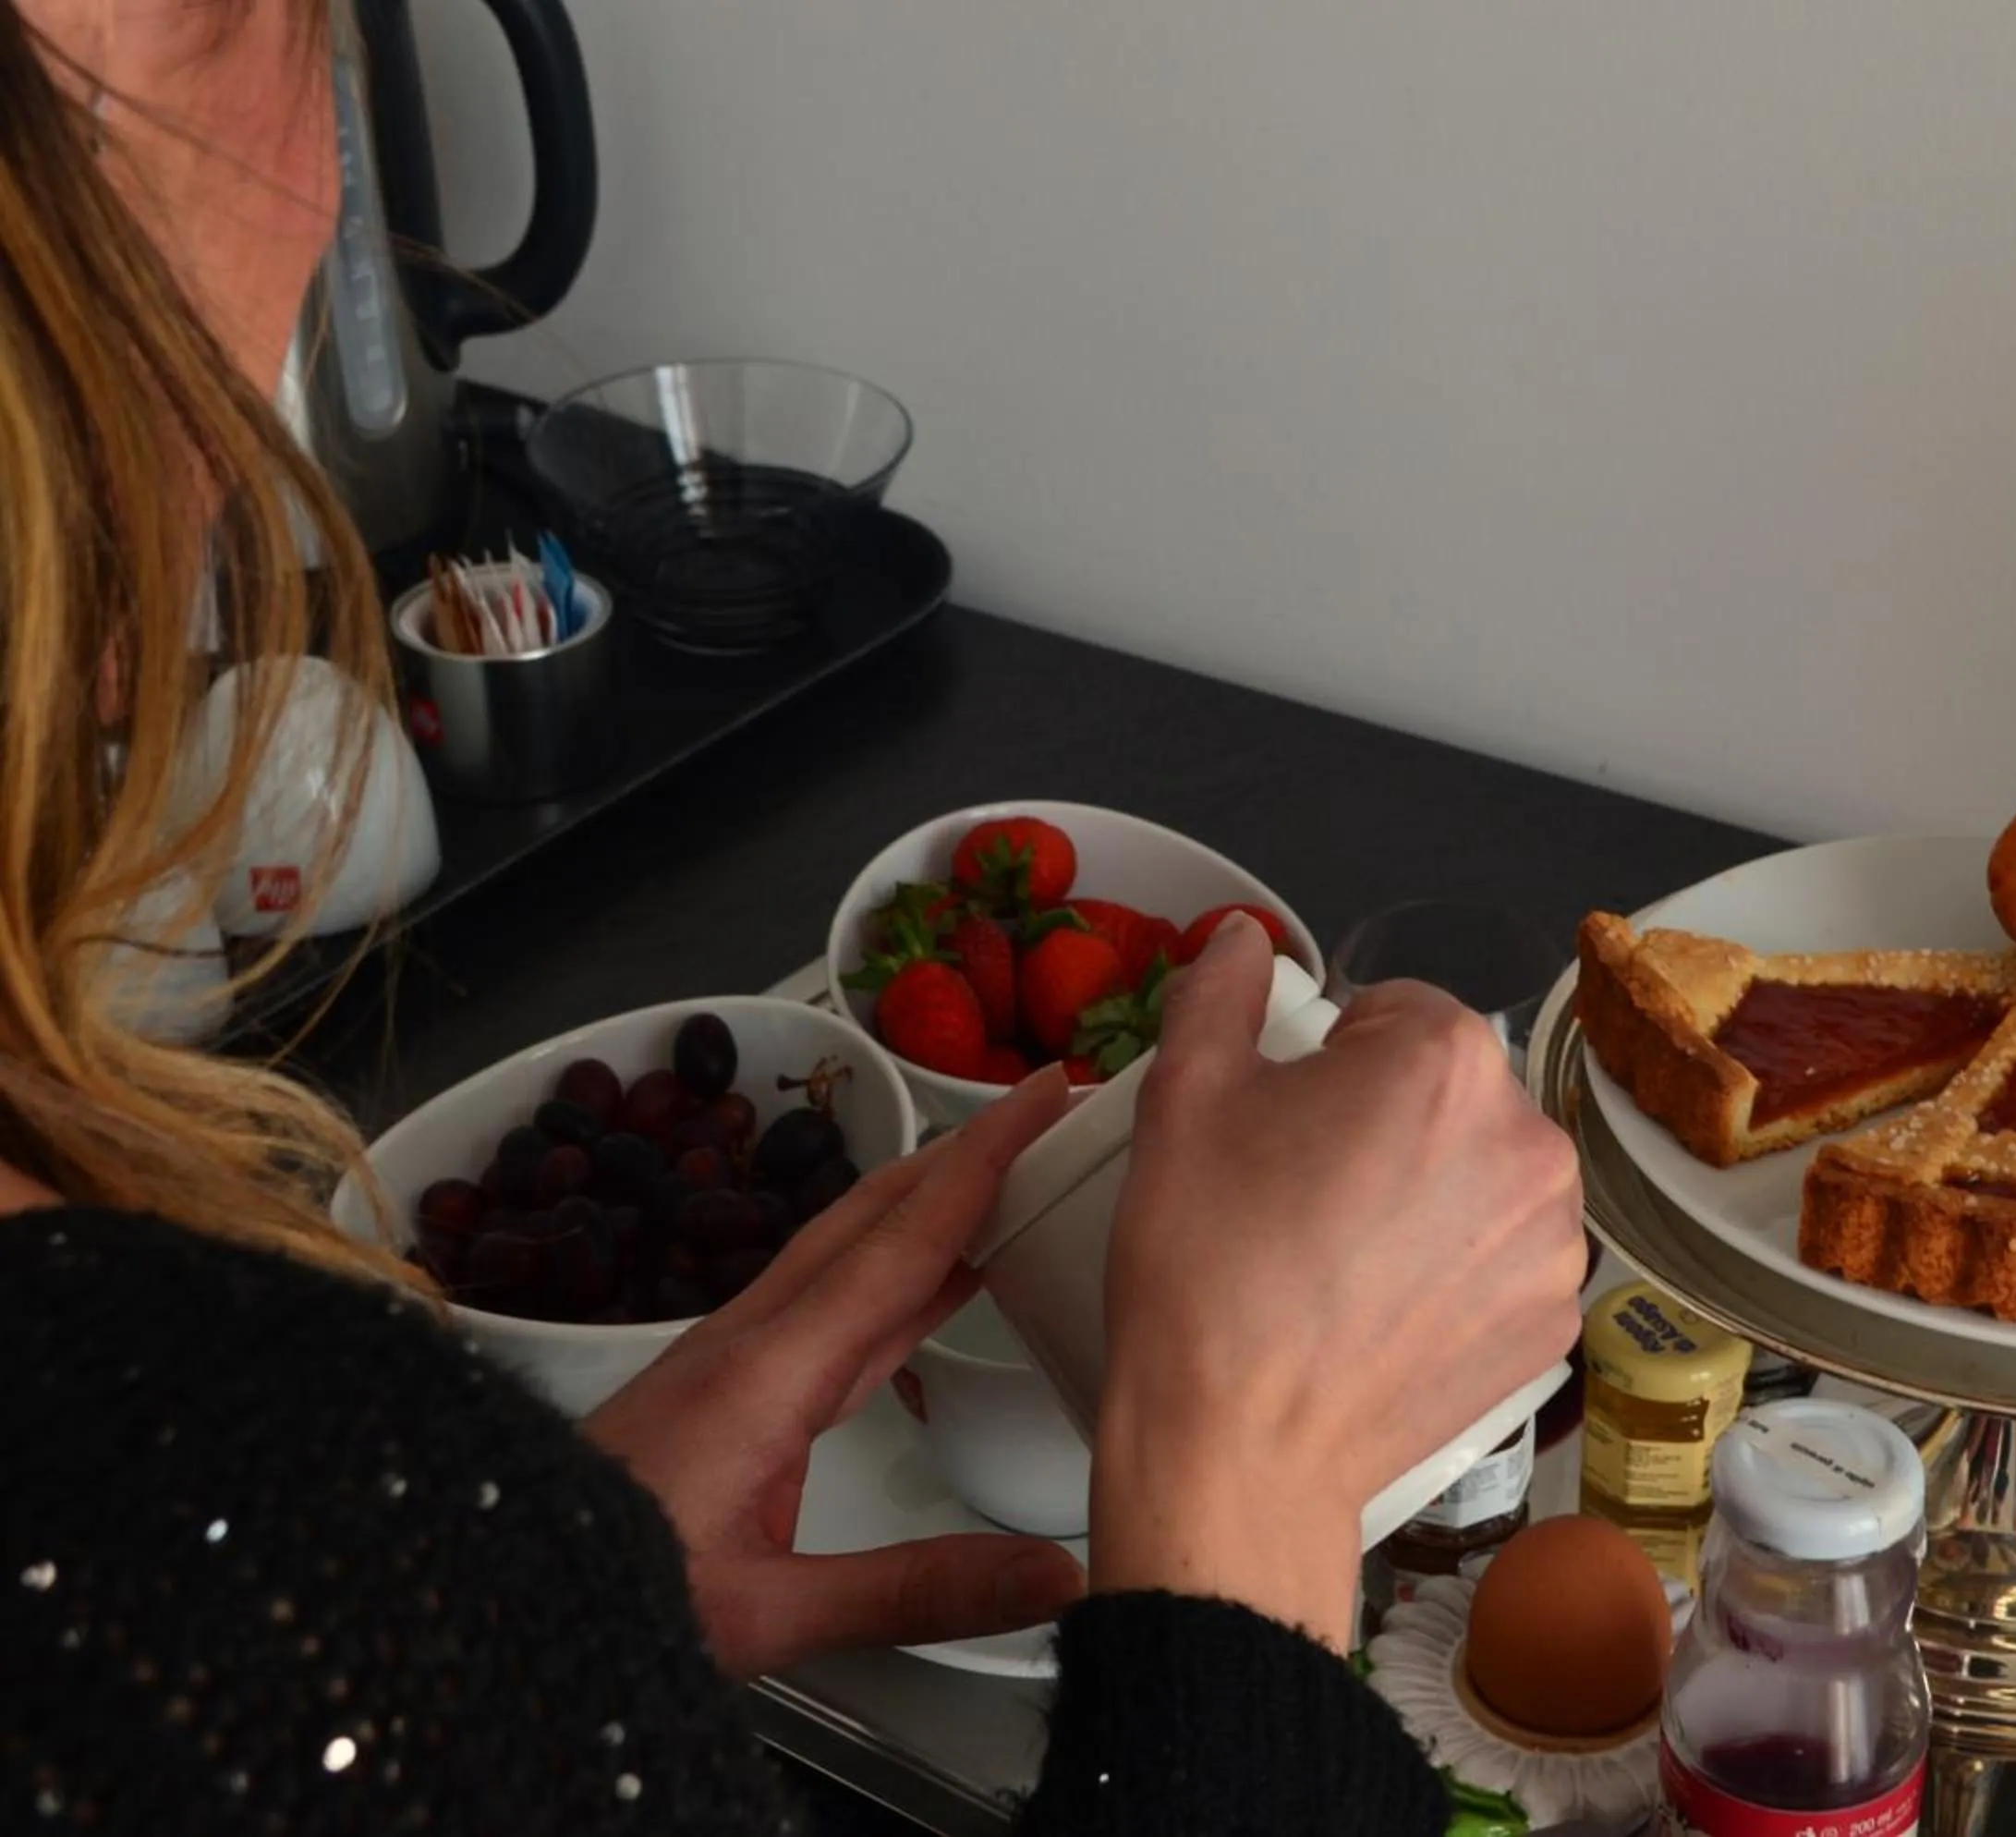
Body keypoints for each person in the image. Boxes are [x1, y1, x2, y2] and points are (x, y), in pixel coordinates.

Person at [0, 6, 1587, 1833]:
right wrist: (1249, 1485)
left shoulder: (268, 1566)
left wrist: (526, 1623)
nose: (336, 119)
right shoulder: (199, 1529)